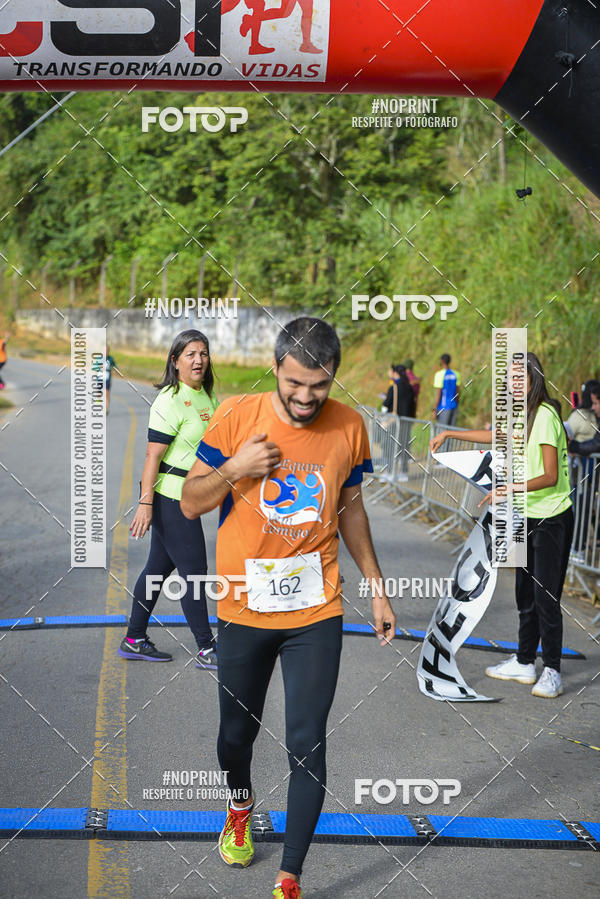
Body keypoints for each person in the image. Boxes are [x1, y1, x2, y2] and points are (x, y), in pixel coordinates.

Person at [181, 316, 395, 899]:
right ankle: (240, 806)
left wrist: (375, 584)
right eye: (294, 383)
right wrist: (234, 469)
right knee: (235, 736)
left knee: (307, 737)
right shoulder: (236, 416)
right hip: (243, 606)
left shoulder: (349, 426)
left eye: (318, 386)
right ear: (275, 367)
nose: (305, 398)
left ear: (335, 378)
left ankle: (289, 877)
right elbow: (190, 502)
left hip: (315, 607)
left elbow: (350, 510)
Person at [429, 352, 573, 699]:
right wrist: (450, 432)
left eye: (519, 378)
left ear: (534, 378)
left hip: (551, 516)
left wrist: (508, 488)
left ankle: (552, 669)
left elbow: (550, 476)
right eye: (509, 379)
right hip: (524, 515)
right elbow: (493, 436)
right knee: (524, 591)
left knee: (544, 595)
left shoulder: (546, 417)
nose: (513, 384)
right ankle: (525, 661)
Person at [119, 330, 219, 667]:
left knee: (156, 570)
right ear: (175, 361)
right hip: (170, 498)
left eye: (203, 353)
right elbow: (152, 457)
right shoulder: (170, 399)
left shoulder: (207, 396)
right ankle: (207, 648)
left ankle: (134, 638)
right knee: (194, 572)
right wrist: (146, 504)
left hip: (192, 495)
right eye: (190, 354)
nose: (198, 360)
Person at [566, 381, 600, 560]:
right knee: (585, 506)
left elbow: (596, 444)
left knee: (582, 506)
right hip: (587, 473)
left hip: (587, 473)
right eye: (592, 403)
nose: (594, 408)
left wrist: (575, 446)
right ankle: (578, 546)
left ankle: (577, 548)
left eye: (596, 403)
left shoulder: (580, 416)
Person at [433, 353, 461, 425]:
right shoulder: (456, 374)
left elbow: (438, 394)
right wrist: (457, 405)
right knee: (452, 432)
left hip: (443, 406)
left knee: (442, 431)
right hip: (454, 406)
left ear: (441, 361)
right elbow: (457, 393)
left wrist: (434, 410)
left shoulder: (439, 374)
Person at [104, 346, 116, 414]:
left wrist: (115, 370)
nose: (106, 352)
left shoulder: (110, 359)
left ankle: (106, 409)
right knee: (98, 394)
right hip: (99, 378)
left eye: (107, 350)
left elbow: (114, 366)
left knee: (106, 393)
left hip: (107, 379)